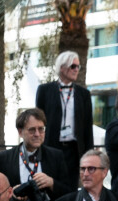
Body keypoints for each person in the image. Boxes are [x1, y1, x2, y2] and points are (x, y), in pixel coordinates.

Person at [0, 108, 71, 201]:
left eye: (41, 129)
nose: (37, 134)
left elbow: (68, 192)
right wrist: (10, 193)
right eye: (32, 130)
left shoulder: (56, 156)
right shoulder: (3, 159)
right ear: (20, 132)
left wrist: (51, 183)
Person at [36, 51, 94, 191]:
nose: (76, 70)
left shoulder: (83, 94)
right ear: (62, 67)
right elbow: (38, 120)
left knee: (71, 187)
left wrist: (90, 155)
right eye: (73, 66)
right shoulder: (45, 90)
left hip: (74, 150)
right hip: (52, 146)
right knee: (49, 186)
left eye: (78, 67)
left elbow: (87, 127)